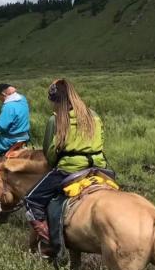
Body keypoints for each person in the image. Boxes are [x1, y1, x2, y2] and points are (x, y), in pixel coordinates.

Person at [25, 79, 108, 257]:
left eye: (52, 102)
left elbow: (51, 153)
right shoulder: (93, 115)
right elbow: (102, 140)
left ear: (56, 101)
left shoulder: (58, 119)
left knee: (32, 199)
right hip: (98, 168)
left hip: (70, 170)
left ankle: (49, 243)